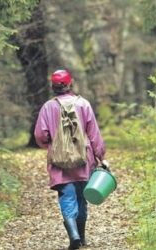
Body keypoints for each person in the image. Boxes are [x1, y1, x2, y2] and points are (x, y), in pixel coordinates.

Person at [34, 69, 105, 249]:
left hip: (59, 163)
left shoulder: (48, 107)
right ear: (70, 83)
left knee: (66, 196)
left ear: (53, 86)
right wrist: (100, 156)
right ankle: (81, 237)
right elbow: (94, 134)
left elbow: (40, 135)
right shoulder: (83, 104)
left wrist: (52, 144)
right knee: (82, 198)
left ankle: (73, 235)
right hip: (84, 160)